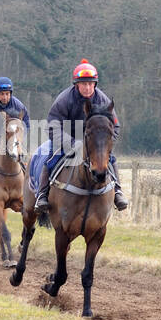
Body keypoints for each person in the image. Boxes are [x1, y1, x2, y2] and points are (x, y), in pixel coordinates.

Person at [34, 59, 128, 218]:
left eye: (91, 84)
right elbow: (52, 126)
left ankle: (118, 192)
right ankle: (42, 195)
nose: (88, 87)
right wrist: (71, 143)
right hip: (66, 139)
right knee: (50, 158)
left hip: (93, 143)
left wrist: (105, 144)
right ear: (76, 84)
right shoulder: (64, 99)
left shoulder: (103, 100)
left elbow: (115, 127)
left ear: (95, 84)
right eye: (84, 84)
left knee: (110, 160)